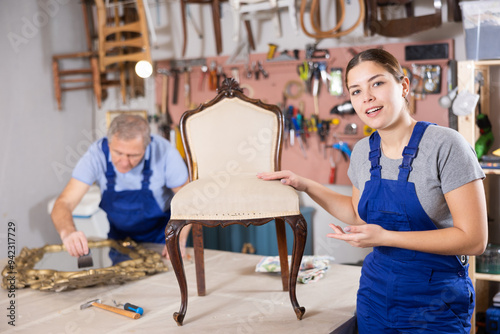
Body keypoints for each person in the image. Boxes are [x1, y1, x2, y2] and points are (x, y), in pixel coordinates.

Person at [258, 49, 488, 333]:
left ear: (403, 86)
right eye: (355, 90)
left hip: (435, 301)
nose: (365, 97)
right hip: (376, 295)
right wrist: (304, 183)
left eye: (376, 83)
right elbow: (356, 213)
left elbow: (474, 239)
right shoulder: (363, 151)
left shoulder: (446, 145)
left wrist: (386, 237)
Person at [51, 114, 190, 259]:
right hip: (119, 241)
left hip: (162, 237)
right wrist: (68, 233)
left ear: (147, 146)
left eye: (133, 156)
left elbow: (188, 202)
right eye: (118, 153)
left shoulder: (165, 153)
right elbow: (63, 203)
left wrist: (179, 239)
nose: (124, 162)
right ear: (109, 143)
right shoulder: (96, 155)